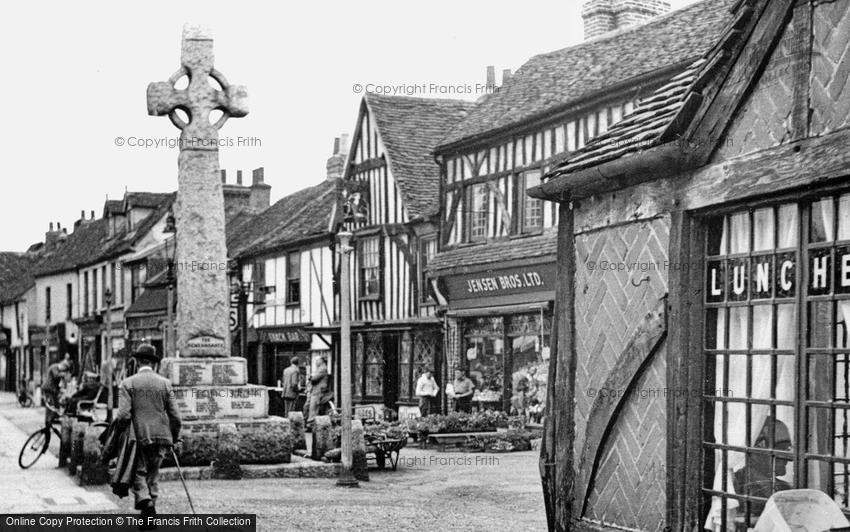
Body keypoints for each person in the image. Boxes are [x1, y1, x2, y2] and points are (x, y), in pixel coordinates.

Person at [115, 344, 181, 524]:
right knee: (153, 474)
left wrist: (122, 432)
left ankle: (147, 506)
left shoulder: (128, 384)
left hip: (139, 437)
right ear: (154, 363)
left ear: (136, 362)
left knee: (138, 473)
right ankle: (148, 518)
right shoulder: (165, 384)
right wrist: (174, 437)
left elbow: (122, 415)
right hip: (162, 437)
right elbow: (176, 416)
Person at [733, 416, 793, 517]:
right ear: (757, 448)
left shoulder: (785, 488)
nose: (789, 457)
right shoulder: (735, 488)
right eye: (780, 448)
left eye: (787, 448)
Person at [42, 359, 71, 425]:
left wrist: (60, 388)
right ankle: (48, 420)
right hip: (48, 389)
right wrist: (64, 374)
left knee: (56, 404)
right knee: (51, 405)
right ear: (62, 365)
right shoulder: (54, 367)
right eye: (64, 369)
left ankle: (54, 418)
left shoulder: (58, 369)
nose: (63, 371)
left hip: (53, 390)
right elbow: (56, 375)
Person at [307, 357, 333, 425]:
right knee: (311, 407)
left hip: (318, 391)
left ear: (321, 361)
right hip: (317, 390)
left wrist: (310, 377)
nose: (315, 362)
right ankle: (311, 422)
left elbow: (314, 379)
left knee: (313, 407)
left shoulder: (322, 368)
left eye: (316, 361)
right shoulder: (321, 368)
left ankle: (312, 422)